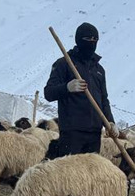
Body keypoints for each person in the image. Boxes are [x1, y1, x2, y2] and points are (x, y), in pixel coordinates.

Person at [43, 22, 115, 157]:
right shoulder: (64, 64)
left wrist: (110, 122)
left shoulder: (99, 70)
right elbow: (49, 92)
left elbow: (104, 99)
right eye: (88, 39)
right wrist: (67, 87)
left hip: (94, 133)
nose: (92, 43)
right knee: (70, 174)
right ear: (79, 39)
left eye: (95, 40)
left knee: (89, 175)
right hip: (72, 132)